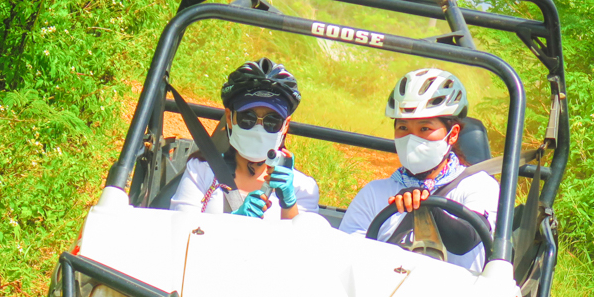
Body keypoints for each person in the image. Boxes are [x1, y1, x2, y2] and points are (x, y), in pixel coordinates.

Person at [339, 68, 498, 272]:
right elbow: (347, 260)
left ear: (453, 134)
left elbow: (467, 239)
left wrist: (427, 207)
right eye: (403, 128)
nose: (412, 139)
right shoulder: (375, 193)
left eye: (424, 129)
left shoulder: (478, 185)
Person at [171, 58, 320, 219]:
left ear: (285, 125)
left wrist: (289, 205)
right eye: (247, 118)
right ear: (229, 118)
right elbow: (179, 231)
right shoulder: (202, 171)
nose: (258, 128)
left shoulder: (302, 188)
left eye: (272, 121)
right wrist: (235, 222)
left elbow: (302, 243)